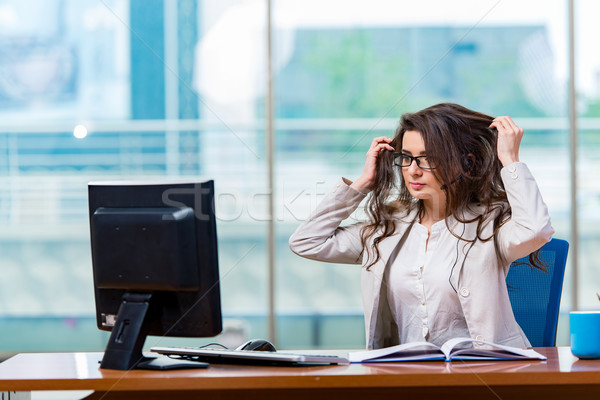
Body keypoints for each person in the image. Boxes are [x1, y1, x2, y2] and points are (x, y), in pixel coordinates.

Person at [289, 103, 554, 350]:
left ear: (466, 162)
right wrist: (363, 183)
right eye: (406, 157)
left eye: (428, 158)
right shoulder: (387, 228)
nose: (413, 171)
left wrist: (511, 160)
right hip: (410, 376)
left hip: (486, 373)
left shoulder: (490, 223)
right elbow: (306, 241)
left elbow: (536, 230)